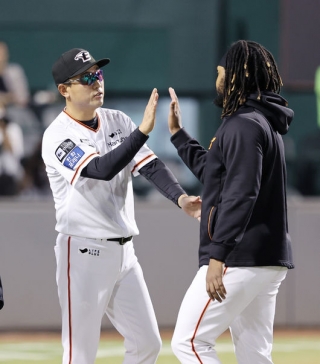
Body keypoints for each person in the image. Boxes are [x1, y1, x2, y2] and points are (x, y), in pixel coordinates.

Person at [41, 48, 201, 364]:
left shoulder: (117, 120)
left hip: (124, 254)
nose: (96, 81)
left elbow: (150, 166)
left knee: (147, 344)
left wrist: (180, 198)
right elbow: (101, 170)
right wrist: (142, 132)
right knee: (80, 355)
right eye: (85, 77)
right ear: (64, 90)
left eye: (98, 73)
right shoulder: (58, 135)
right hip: (83, 252)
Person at [167, 40, 294, 364]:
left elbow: (240, 192)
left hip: (239, 258)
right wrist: (180, 135)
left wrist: (217, 255)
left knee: (188, 342)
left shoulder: (243, 125)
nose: (218, 79)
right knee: (255, 356)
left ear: (241, 74)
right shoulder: (259, 122)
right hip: (265, 258)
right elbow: (217, 173)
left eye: (221, 72)